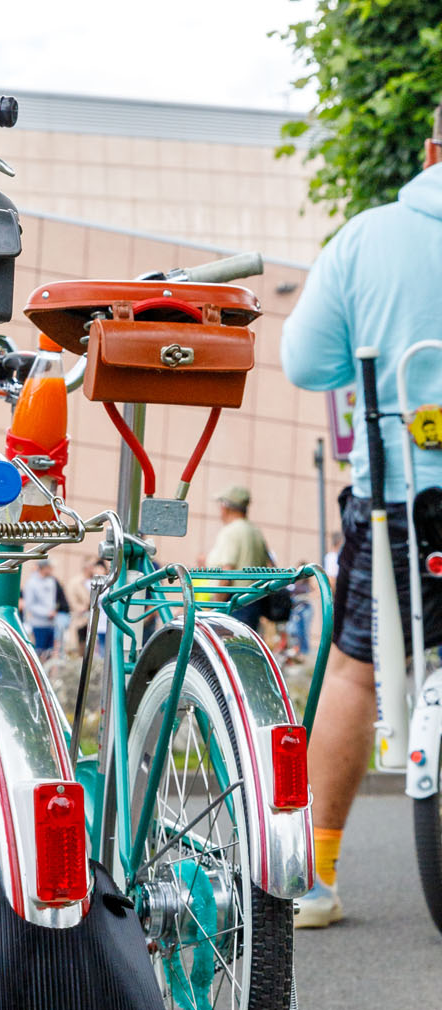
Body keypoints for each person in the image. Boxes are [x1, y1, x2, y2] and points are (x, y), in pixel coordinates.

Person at [281, 107, 442, 929]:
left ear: (429, 147)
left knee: (355, 671)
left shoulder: (366, 237)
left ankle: (316, 875)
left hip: (399, 506)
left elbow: (307, 363)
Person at [205, 487, 271, 630]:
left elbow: (226, 574)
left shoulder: (231, 532)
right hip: (253, 601)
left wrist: (215, 609)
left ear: (225, 507)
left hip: (233, 603)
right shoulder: (255, 531)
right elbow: (270, 567)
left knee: (225, 649)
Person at [21, 558, 60, 657]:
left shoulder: (51, 581)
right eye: (50, 568)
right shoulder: (31, 583)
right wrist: (46, 613)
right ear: (44, 568)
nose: (52, 570)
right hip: (38, 624)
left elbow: (52, 600)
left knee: (49, 652)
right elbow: (29, 605)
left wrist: (53, 611)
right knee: (39, 651)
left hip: (51, 623)